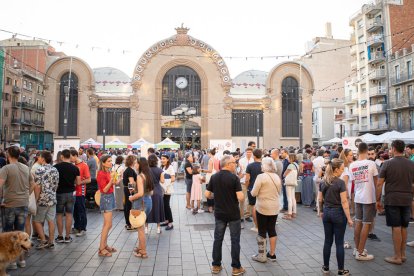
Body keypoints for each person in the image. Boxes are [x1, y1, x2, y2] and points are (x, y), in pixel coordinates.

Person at [205, 155, 245, 275]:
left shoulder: (214, 177)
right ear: (228, 164)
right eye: (234, 162)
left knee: (218, 239)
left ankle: (216, 266)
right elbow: (240, 197)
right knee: (235, 240)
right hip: (233, 214)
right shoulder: (234, 178)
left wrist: (216, 196)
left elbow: (207, 194)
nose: (235, 164)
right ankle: (236, 268)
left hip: (219, 213)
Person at [376, 140, 414, 264]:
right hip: (407, 198)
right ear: (403, 149)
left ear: (393, 148)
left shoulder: (387, 164)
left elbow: (379, 183)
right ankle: (402, 254)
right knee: (404, 226)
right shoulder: (411, 164)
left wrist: (377, 200)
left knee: (396, 227)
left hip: (392, 199)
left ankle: (397, 256)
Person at [0, 146, 35, 270]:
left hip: (9, 204)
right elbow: (33, 183)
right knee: (20, 233)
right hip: (23, 203)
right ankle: (21, 261)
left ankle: (12, 262)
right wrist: (26, 195)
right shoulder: (26, 167)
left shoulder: (6, 168)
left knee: (8, 234)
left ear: (8, 154)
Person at [319, 158, 353, 276]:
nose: (343, 171)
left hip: (327, 213)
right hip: (338, 213)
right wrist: (349, 218)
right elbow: (344, 202)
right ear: (336, 169)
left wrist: (321, 211)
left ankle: (326, 267)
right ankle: (341, 270)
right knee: (339, 242)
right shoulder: (340, 183)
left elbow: (319, 199)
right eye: (342, 169)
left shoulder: (323, 181)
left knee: (327, 241)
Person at [349, 142, 378, 261]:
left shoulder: (352, 165)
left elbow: (354, 182)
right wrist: (378, 199)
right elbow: (376, 182)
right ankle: (360, 253)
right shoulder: (371, 163)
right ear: (366, 151)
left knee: (358, 222)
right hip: (369, 197)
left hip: (358, 197)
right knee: (366, 223)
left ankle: (357, 249)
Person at [250, 157, 281, 262]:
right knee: (272, 229)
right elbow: (279, 191)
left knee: (262, 230)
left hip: (263, 207)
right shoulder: (277, 177)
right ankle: (272, 254)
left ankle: (261, 256)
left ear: (264, 165)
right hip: (275, 206)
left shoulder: (261, 177)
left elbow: (254, 193)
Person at [33, 151, 59, 249]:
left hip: (42, 199)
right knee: (51, 220)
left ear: (43, 159)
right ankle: (51, 241)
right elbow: (56, 185)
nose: (38, 158)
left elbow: (37, 186)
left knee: (37, 220)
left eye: (39, 157)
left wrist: (36, 199)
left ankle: (43, 240)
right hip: (52, 198)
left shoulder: (39, 170)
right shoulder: (55, 170)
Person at [54, 149, 80, 243]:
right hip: (71, 193)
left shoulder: (56, 167)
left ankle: (60, 236)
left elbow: (54, 182)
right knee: (69, 214)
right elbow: (78, 182)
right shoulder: (75, 168)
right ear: (70, 156)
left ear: (61, 156)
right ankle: (68, 237)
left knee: (59, 214)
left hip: (59, 193)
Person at [130, 157, 154, 258]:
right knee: (142, 225)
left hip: (141, 203)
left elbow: (140, 193)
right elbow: (151, 192)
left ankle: (143, 252)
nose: (135, 165)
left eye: (136, 163)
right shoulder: (148, 175)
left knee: (140, 228)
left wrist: (131, 197)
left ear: (140, 165)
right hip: (148, 201)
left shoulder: (140, 176)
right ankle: (140, 247)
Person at [97, 155, 119, 257]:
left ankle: (104, 245)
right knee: (107, 225)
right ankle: (101, 248)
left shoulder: (108, 172)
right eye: (109, 161)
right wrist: (111, 181)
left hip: (110, 196)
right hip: (106, 197)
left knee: (108, 224)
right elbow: (104, 189)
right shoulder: (101, 173)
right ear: (103, 163)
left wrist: (116, 179)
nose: (111, 163)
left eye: (111, 161)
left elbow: (112, 184)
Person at [70, 149, 91, 237]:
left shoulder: (84, 165)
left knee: (81, 209)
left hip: (80, 190)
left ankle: (82, 228)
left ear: (75, 156)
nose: (70, 159)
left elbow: (89, 179)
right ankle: (76, 226)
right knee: (75, 210)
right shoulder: (72, 165)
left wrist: (79, 182)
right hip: (73, 191)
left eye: (70, 157)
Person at [245, 149, 263, 232]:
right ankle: (263, 224)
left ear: (254, 156)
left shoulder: (250, 166)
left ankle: (256, 226)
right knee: (262, 206)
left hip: (252, 188)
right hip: (263, 188)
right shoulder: (264, 165)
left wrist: (247, 187)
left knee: (253, 206)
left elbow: (247, 179)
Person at [146, 154, 165, 234]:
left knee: (147, 209)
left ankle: (146, 228)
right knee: (157, 208)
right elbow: (162, 181)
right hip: (157, 190)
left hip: (148, 191)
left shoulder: (146, 170)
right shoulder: (160, 170)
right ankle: (158, 228)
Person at [239, 147, 254, 223]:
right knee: (242, 199)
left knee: (249, 199)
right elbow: (240, 171)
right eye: (247, 152)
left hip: (251, 182)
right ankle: (241, 216)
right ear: (245, 152)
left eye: (250, 152)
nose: (249, 153)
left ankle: (247, 215)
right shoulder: (241, 160)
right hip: (243, 182)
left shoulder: (253, 160)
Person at [160, 154, 175, 230]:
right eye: (161, 159)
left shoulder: (170, 167)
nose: (162, 160)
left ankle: (170, 223)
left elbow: (173, 179)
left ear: (168, 159)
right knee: (164, 205)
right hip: (162, 189)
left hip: (167, 189)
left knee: (166, 205)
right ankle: (166, 220)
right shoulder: (162, 167)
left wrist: (166, 182)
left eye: (164, 159)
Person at [123, 155, 138, 231]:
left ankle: (127, 223)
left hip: (127, 189)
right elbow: (131, 181)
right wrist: (133, 190)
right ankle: (129, 224)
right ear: (132, 161)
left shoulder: (129, 169)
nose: (136, 161)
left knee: (127, 206)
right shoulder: (130, 170)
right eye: (135, 160)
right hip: (129, 189)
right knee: (128, 206)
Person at [283, 153, 298, 220]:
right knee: (293, 198)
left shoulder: (290, 165)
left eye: (288, 158)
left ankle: (289, 214)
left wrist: (284, 175)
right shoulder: (296, 165)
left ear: (291, 158)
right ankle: (294, 212)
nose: (288, 159)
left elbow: (284, 174)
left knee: (289, 198)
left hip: (289, 183)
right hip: (294, 182)